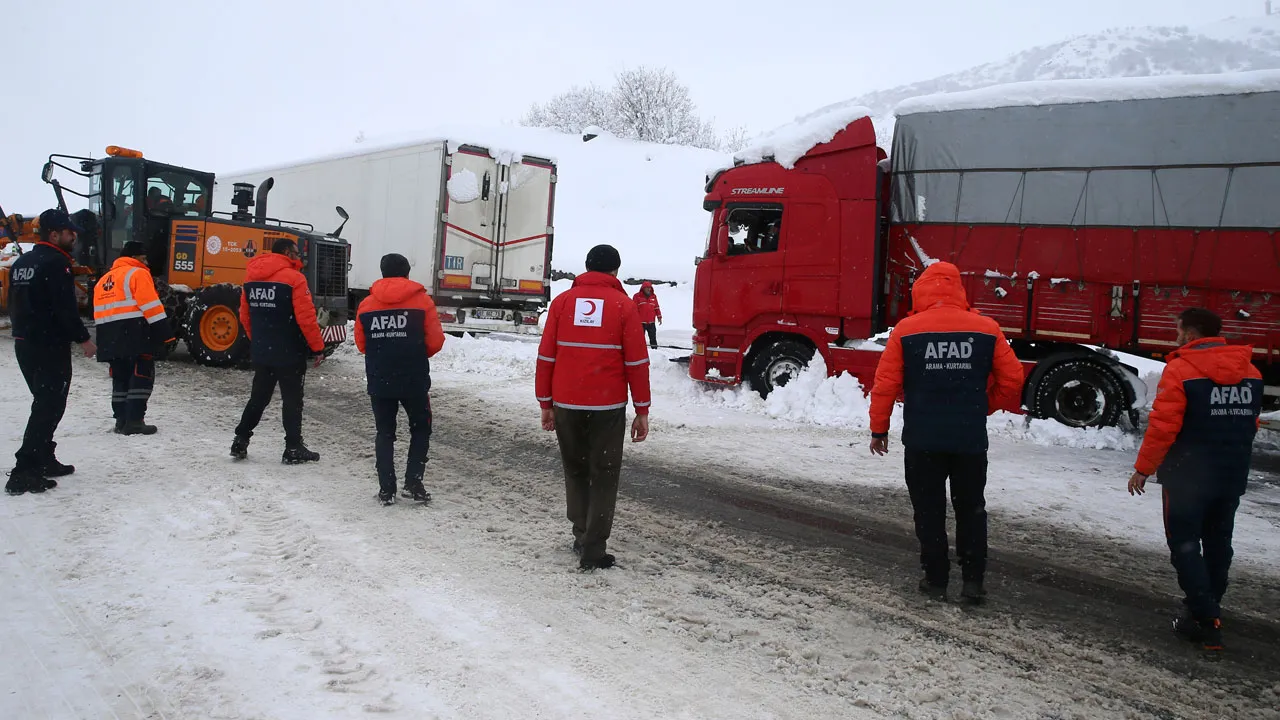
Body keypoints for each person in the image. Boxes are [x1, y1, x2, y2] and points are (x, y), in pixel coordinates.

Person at [867, 261, 1023, 603]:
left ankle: (936, 580)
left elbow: (885, 386)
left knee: (929, 510)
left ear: (920, 290)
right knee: (971, 509)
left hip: (923, 440)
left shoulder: (906, 331)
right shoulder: (986, 328)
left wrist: (879, 429)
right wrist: (983, 405)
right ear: (958, 288)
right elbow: (1013, 378)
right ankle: (972, 582)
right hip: (968, 439)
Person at [1127, 308, 1262, 653]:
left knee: (1185, 545)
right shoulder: (1251, 372)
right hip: (1231, 473)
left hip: (1188, 476)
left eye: (1178, 330)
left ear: (1190, 334)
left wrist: (1144, 468)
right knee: (1219, 545)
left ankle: (1204, 620)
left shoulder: (1181, 371)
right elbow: (1250, 425)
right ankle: (1206, 610)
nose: (1176, 336)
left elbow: (1163, 427)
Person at [536, 244, 651, 570]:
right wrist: (642, 410)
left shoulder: (561, 303)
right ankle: (594, 549)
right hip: (607, 406)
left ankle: (581, 533)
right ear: (615, 271)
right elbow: (637, 363)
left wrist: (546, 403)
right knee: (603, 474)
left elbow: (546, 357)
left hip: (566, 404)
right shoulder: (624, 307)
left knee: (575, 469)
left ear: (587, 268)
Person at [5, 210, 97, 496]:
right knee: (48, 406)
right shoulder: (57, 263)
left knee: (45, 403)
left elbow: (13, 303)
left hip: (25, 343)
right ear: (54, 234)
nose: (74, 236)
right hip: (48, 346)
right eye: (70, 233)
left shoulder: (22, 263)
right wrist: (83, 339)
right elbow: (64, 308)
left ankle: (44, 456)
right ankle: (24, 470)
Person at [354, 253, 446, 505]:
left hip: (379, 379)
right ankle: (413, 482)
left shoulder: (366, 304)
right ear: (407, 273)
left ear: (382, 273)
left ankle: (387, 489)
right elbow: (436, 341)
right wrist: (413, 352)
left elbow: (362, 344)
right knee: (420, 429)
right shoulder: (422, 301)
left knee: (384, 432)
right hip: (413, 378)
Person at [230, 238, 327, 464]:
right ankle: (293, 448)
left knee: (259, 398)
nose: (298, 257)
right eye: (296, 252)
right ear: (286, 252)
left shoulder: (251, 278)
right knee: (292, 400)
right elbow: (306, 319)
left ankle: (240, 439)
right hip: (289, 351)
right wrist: (317, 347)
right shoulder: (294, 279)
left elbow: (245, 315)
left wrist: (260, 341)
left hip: (264, 351)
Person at [92, 240, 172, 435]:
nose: (146, 262)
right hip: (134, 332)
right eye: (143, 258)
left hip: (108, 335)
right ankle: (135, 420)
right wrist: (166, 334)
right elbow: (150, 305)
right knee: (141, 375)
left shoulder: (104, 279)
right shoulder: (138, 273)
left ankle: (121, 420)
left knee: (120, 378)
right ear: (135, 257)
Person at [632, 281, 663, 350]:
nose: (649, 289)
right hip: (640, 323)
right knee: (639, 338)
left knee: (653, 338)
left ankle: (655, 351)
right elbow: (633, 309)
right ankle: (638, 350)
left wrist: (659, 317)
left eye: (650, 287)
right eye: (647, 288)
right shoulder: (637, 296)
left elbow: (656, 307)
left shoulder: (653, 297)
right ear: (643, 288)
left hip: (651, 322)